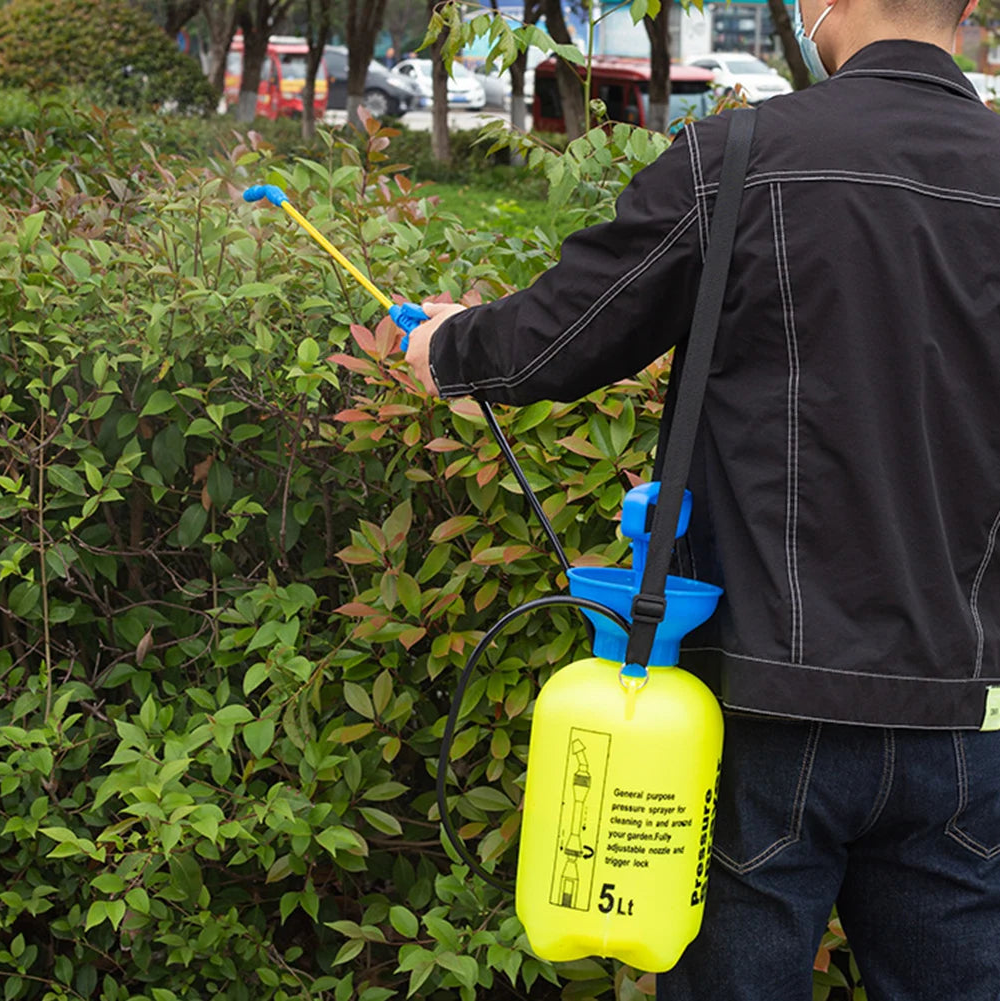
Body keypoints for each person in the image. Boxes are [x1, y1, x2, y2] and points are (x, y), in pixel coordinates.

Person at [403, 0, 1000, 995]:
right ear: (969, 8)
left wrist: (446, 344)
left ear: (824, 5)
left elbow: (557, 337)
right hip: (963, 710)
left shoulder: (743, 153)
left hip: (764, 699)